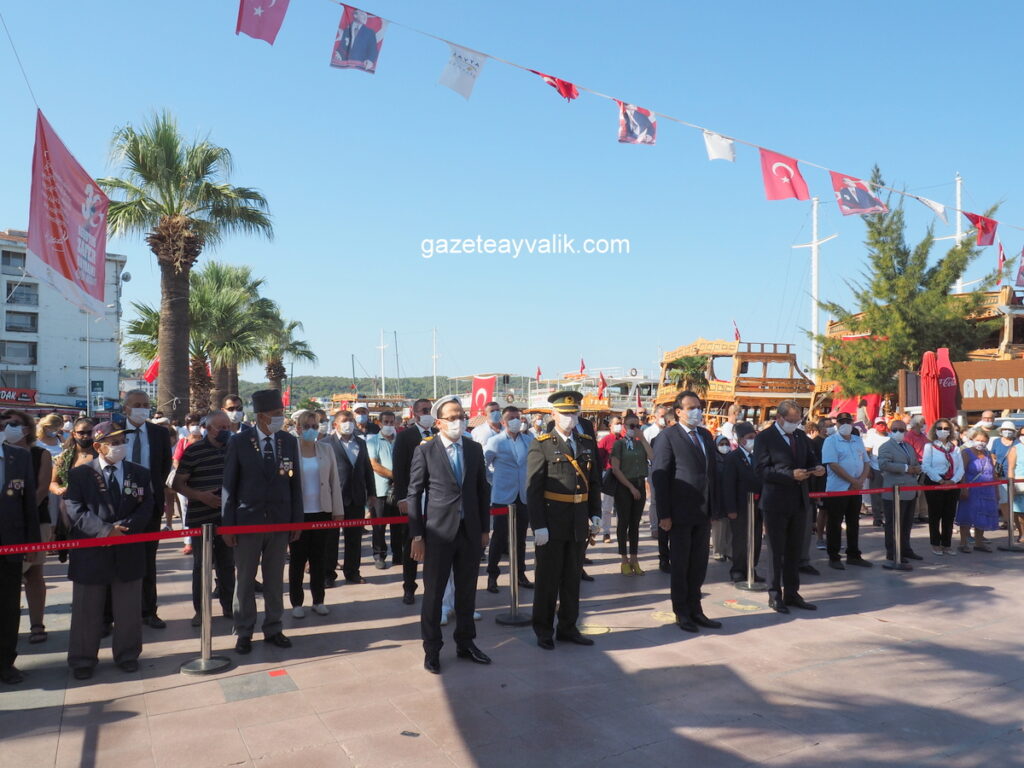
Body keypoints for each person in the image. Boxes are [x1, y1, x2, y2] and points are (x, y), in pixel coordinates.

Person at [407, 396, 491, 674]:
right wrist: (417, 536)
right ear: (439, 422)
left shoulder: (473, 448)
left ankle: (466, 643)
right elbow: (414, 493)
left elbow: (482, 490)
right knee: (434, 594)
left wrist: (484, 529)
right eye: (452, 417)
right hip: (438, 533)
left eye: (462, 416)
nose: (459, 421)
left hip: (469, 532)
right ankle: (432, 649)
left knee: (467, 592)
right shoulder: (426, 450)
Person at [64, 421, 151, 680]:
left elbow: (147, 506)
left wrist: (124, 528)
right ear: (98, 446)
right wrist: (104, 530)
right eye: (113, 443)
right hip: (91, 552)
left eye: (123, 442)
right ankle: (83, 659)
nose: (120, 446)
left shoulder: (139, 473)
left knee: (128, 609)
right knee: (86, 610)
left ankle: (127, 654)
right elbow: (74, 508)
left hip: (128, 548)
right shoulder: (80, 474)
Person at [221, 389, 303, 654]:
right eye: (276, 414)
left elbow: (294, 483)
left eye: (281, 413)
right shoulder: (239, 442)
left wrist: (296, 521)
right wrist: (228, 525)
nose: (280, 418)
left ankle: (274, 627)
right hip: (248, 522)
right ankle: (244, 630)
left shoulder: (288, 441)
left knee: (274, 579)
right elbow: (229, 486)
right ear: (261, 416)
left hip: (279, 521)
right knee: (245, 579)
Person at [527, 391, 602, 648]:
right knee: (547, 580)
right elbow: (533, 490)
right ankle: (544, 630)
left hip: (578, 521)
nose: (570, 418)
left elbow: (593, 482)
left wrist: (595, 513)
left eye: (574, 413)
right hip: (552, 521)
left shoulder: (586, 442)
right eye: (565, 413)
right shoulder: (542, 444)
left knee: (572, 579)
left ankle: (568, 627)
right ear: (554, 415)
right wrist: (538, 526)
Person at [651, 391, 721, 632]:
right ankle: (682, 612)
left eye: (699, 407)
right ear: (678, 411)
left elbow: (712, 473)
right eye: (691, 408)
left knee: (699, 564)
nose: (697, 412)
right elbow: (660, 478)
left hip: (703, 511)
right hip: (679, 513)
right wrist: (664, 515)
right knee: (681, 565)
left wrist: (714, 507)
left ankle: (696, 609)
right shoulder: (667, 437)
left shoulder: (705, 435)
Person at [753, 399, 825, 614]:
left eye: (798, 420)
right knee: (776, 551)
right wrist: (789, 475)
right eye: (791, 420)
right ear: (779, 418)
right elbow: (761, 470)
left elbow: (810, 459)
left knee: (795, 549)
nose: (795, 424)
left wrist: (816, 468)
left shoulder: (800, 436)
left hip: (799, 500)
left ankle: (792, 592)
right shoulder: (765, 437)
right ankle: (774, 594)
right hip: (776, 501)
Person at [172, 410, 236, 626]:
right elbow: (178, 483)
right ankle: (201, 610)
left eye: (228, 427)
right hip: (201, 517)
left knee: (227, 564)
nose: (225, 431)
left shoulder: (234, 448)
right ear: (208, 429)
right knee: (202, 566)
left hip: (228, 518)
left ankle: (229, 606)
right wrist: (201, 496)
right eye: (221, 428)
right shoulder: (194, 451)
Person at [121, 389, 172, 629]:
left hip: (149, 505)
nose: (142, 408)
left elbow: (164, 465)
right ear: (126, 408)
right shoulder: (114, 430)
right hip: (119, 506)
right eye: (137, 404)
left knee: (147, 561)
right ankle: (110, 615)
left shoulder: (159, 433)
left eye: (145, 404)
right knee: (115, 560)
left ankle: (148, 611)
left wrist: (152, 491)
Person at [1, 411, 51, 649]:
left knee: (33, 574)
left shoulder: (36, 454)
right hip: (7, 527)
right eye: (3, 424)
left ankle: (36, 624)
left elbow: (39, 491)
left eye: (13, 424)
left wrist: (23, 522)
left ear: (27, 428)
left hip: (33, 521)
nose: (7, 428)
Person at [288, 410, 344, 617]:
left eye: (314, 426)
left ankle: (318, 600)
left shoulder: (326, 449)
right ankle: (296, 603)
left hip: (322, 511)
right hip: (299, 514)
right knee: (297, 559)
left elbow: (334, 481)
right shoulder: (290, 450)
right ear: (298, 428)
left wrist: (338, 511)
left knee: (319, 559)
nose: (311, 430)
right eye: (307, 426)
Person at [0, 412, 40, 684]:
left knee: (8, 606)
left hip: (11, 543)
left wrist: (32, 542)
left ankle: (5, 663)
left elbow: (28, 505)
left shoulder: (19, 457)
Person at [484, 406, 533, 593]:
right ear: (503, 422)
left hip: (523, 496)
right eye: (511, 418)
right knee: (499, 537)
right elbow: (484, 465)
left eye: (518, 417)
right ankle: (492, 575)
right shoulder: (495, 441)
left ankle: (520, 573)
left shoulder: (528, 440)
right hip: (503, 497)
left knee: (521, 538)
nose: (516, 421)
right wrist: (494, 480)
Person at [392, 398, 435, 604]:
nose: (427, 413)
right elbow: (399, 469)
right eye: (424, 410)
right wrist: (402, 497)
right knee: (411, 544)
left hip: (435, 499)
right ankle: (409, 587)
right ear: (415, 413)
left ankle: (433, 587)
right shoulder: (405, 436)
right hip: (413, 498)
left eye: (430, 410)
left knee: (434, 545)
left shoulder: (438, 434)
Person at [327, 409, 376, 585]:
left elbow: (367, 469)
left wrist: (371, 493)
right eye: (344, 420)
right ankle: (328, 574)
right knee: (331, 539)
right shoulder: (326, 443)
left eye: (351, 420)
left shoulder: (360, 443)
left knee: (354, 539)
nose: (348, 423)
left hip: (356, 497)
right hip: (334, 498)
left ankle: (352, 572)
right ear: (335, 424)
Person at [821, 411, 871, 570]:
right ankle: (834, 556)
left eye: (848, 422)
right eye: (841, 422)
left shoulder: (857, 440)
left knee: (853, 522)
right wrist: (852, 481)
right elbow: (833, 464)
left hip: (855, 488)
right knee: (834, 523)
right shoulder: (831, 441)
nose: (845, 425)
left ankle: (853, 554)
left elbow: (866, 462)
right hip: (838, 489)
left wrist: (861, 480)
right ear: (837, 424)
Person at [876, 419, 923, 568]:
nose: (898, 432)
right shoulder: (885, 447)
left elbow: (914, 462)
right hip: (894, 492)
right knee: (894, 524)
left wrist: (917, 468)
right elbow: (883, 464)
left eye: (901, 430)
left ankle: (905, 549)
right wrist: (906, 468)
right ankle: (893, 553)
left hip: (910, 490)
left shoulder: (908, 446)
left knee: (907, 523)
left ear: (906, 431)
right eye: (895, 429)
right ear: (890, 430)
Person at [610, 413, 651, 575]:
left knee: (635, 524)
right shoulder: (619, 444)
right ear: (625, 427)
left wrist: (643, 438)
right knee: (623, 523)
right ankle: (624, 559)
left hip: (639, 483)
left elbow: (653, 456)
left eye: (637, 425)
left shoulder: (640, 444)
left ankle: (634, 559)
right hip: (624, 486)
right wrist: (630, 487)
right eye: (632, 426)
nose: (635, 428)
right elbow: (615, 469)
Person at [721, 422, 763, 582]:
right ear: (740, 439)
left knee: (756, 538)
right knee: (740, 539)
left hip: (757, 505)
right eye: (749, 437)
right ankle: (738, 569)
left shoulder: (758, 456)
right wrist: (730, 509)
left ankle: (751, 568)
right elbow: (728, 484)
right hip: (740, 506)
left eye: (754, 436)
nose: (753, 440)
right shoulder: (733, 457)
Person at [922, 418, 964, 556]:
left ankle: (947, 544)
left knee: (949, 515)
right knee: (935, 515)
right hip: (935, 482)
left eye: (946, 428)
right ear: (934, 430)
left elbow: (960, 468)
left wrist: (952, 481)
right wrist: (940, 481)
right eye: (939, 428)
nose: (943, 431)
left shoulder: (955, 449)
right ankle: (935, 543)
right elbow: (926, 466)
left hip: (952, 483)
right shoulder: (929, 447)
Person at [956, 427, 999, 553]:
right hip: (971, 490)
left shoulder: (987, 454)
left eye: (984, 441)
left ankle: (979, 543)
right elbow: (961, 471)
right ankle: (963, 543)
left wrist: (996, 490)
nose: (981, 443)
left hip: (987, 490)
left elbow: (993, 473)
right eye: (978, 440)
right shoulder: (966, 453)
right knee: (967, 515)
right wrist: (963, 488)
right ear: (972, 439)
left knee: (983, 515)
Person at [367, 411, 400, 569]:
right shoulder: (373, 441)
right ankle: (379, 555)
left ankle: (398, 554)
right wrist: (395, 476)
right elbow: (374, 465)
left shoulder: (400, 440)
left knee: (398, 525)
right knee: (379, 526)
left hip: (399, 490)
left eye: (391, 422)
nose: (389, 425)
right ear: (379, 423)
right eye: (386, 422)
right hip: (380, 490)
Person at [596, 416, 622, 542]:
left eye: (620, 423)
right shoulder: (606, 440)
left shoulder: (624, 439)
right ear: (610, 425)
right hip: (610, 475)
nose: (619, 425)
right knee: (607, 507)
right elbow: (599, 459)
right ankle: (606, 533)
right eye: (617, 423)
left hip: (623, 476)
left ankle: (622, 532)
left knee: (622, 507)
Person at [710, 433, 733, 562]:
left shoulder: (732, 457)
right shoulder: (713, 460)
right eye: (721, 444)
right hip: (718, 496)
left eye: (726, 444)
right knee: (719, 526)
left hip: (730, 496)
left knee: (730, 526)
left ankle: (729, 551)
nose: (724, 446)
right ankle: (718, 551)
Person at [862, 416, 889, 527]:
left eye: (883, 423)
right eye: (879, 424)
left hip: (889, 470)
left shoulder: (891, 437)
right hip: (876, 468)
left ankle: (888, 517)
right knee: (876, 495)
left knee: (888, 495)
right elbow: (866, 454)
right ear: (875, 425)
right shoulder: (871, 438)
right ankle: (877, 518)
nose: (881, 425)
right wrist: (868, 469)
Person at [988, 420, 1016, 528]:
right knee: (1003, 500)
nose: (1007, 431)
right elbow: (992, 455)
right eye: (1005, 429)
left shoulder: (1017, 442)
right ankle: (1008, 521)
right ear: (1001, 430)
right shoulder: (996, 441)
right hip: (1000, 475)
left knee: (1015, 500)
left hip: (1015, 474)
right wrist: (994, 466)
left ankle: (1015, 521)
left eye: (1010, 430)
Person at [809, 418, 831, 550]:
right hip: (821, 481)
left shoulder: (832, 440)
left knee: (833, 511)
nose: (828, 428)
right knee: (823, 511)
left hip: (834, 479)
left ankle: (832, 538)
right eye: (826, 426)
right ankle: (820, 538)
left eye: (830, 425)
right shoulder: (814, 442)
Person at [1006, 426, 1024, 543]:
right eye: (1022, 434)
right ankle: (1022, 534)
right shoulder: (1015, 449)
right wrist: (1011, 483)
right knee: (1019, 511)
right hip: (1019, 483)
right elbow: (1011, 468)